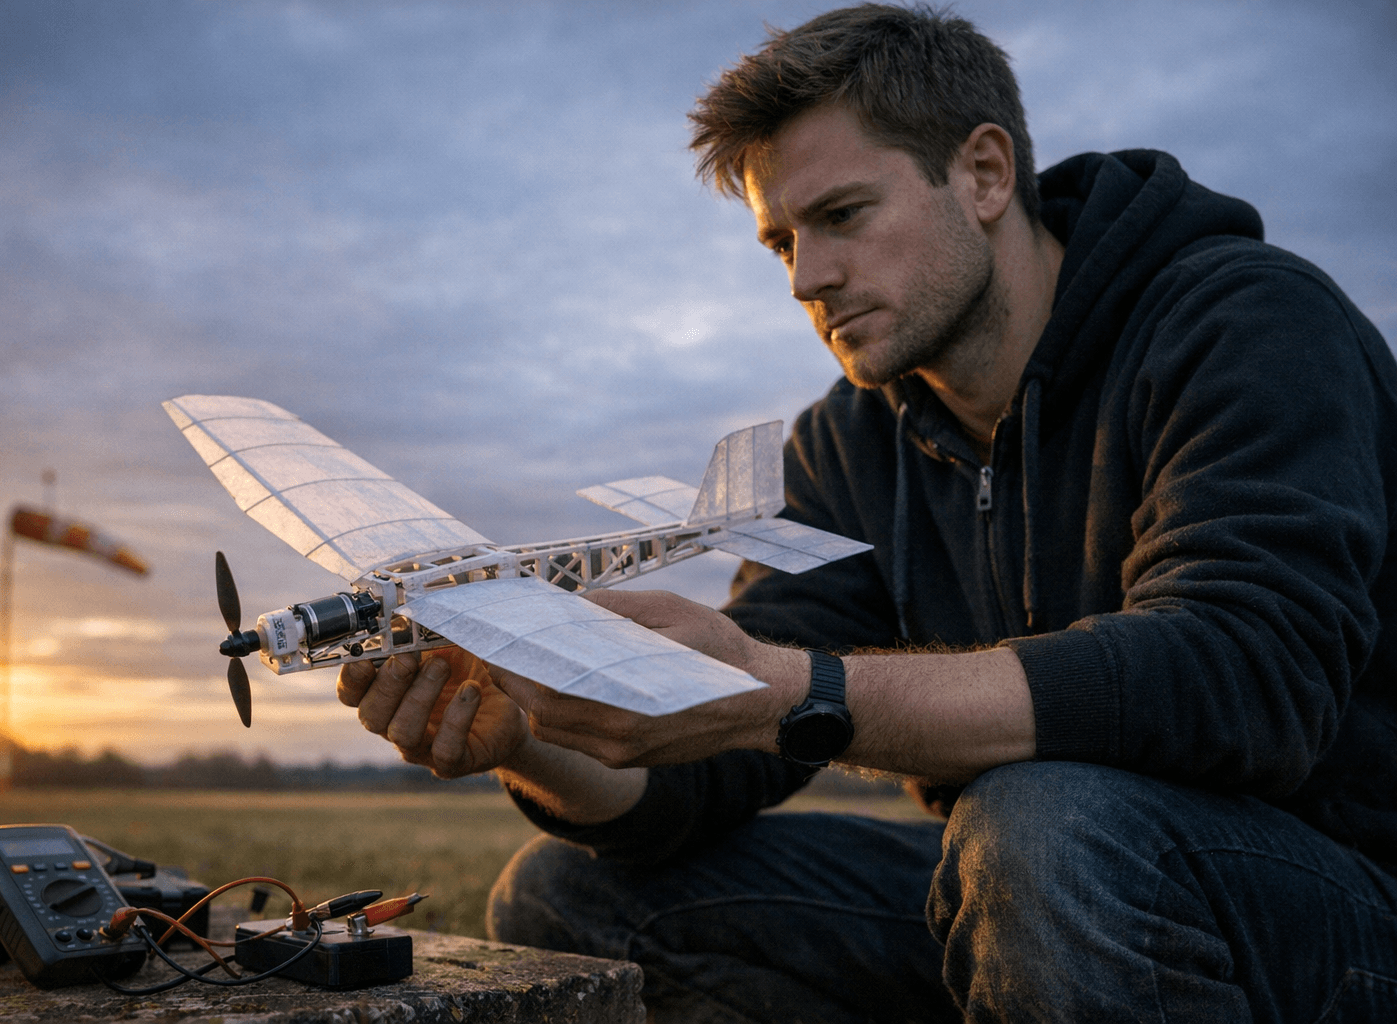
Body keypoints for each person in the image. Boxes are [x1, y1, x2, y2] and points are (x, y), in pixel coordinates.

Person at [338, 5, 1397, 1021]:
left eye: (842, 216)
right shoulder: (846, 440)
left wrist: (788, 688)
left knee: (1044, 821)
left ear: (984, 173)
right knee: (568, 891)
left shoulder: (1247, 322)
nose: (808, 277)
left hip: (1331, 909)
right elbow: (734, 750)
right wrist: (533, 729)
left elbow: (1244, 676)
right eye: (780, 242)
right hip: (1032, 890)